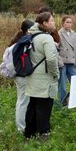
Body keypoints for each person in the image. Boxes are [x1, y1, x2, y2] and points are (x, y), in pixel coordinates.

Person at [24, 12, 59, 140]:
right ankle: (43, 134)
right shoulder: (46, 38)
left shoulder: (32, 35)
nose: (54, 23)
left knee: (32, 105)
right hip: (44, 78)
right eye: (52, 20)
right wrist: (55, 73)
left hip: (33, 76)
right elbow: (51, 60)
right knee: (44, 106)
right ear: (44, 23)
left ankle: (29, 134)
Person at [8, 19, 35, 132]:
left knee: (23, 100)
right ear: (27, 31)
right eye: (33, 29)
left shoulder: (20, 42)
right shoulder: (23, 43)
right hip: (22, 75)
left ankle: (24, 125)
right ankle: (21, 128)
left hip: (20, 75)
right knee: (23, 101)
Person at [57, 15, 76, 106]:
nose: (69, 24)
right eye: (67, 22)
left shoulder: (75, 35)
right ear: (62, 23)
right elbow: (56, 50)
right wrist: (60, 62)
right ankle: (63, 102)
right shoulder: (58, 34)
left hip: (72, 63)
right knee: (62, 85)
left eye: (70, 22)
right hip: (62, 63)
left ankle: (75, 100)